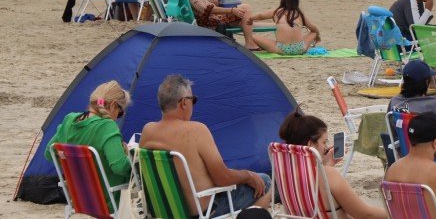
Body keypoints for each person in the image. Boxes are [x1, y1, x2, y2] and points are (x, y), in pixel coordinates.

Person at [140, 75, 270, 217]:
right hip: (203, 212)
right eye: (193, 100)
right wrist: (248, 176)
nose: (192, 104)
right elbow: (223, 178)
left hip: (164, 212)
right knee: (265, 181)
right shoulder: (197, 130)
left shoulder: (148, 131)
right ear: (184, 103)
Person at [278, 108, 387, 219]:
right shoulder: (327, 174)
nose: (326, 147)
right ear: (310, 144)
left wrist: (326, 164)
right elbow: (365, 214)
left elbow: (315, 186)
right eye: (324, 142)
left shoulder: (282, 171)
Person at [45, 80, 131, 209]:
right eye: (120, 113)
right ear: (113, 105)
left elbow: (49, 153)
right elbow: (120, 168)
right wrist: (134, 158)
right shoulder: (107, 127)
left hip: (79, 199)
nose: (119, 116)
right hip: (109, 201)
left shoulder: (69, 120)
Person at [387, 60, 436, 147]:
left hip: (403, 154)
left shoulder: (394, 101)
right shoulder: (434, 105)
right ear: (426, 82)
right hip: (431, 156)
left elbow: (391, 132)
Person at [257, 0, 321, 55]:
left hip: (282, 49)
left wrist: (251, 18)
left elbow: (261, 16)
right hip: (300, 49)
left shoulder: (277, 11)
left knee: (253, 36)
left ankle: (256, 46)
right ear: (296, 1)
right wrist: (317, 36)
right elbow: (313, 28)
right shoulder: (299, 14)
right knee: (314, 33)